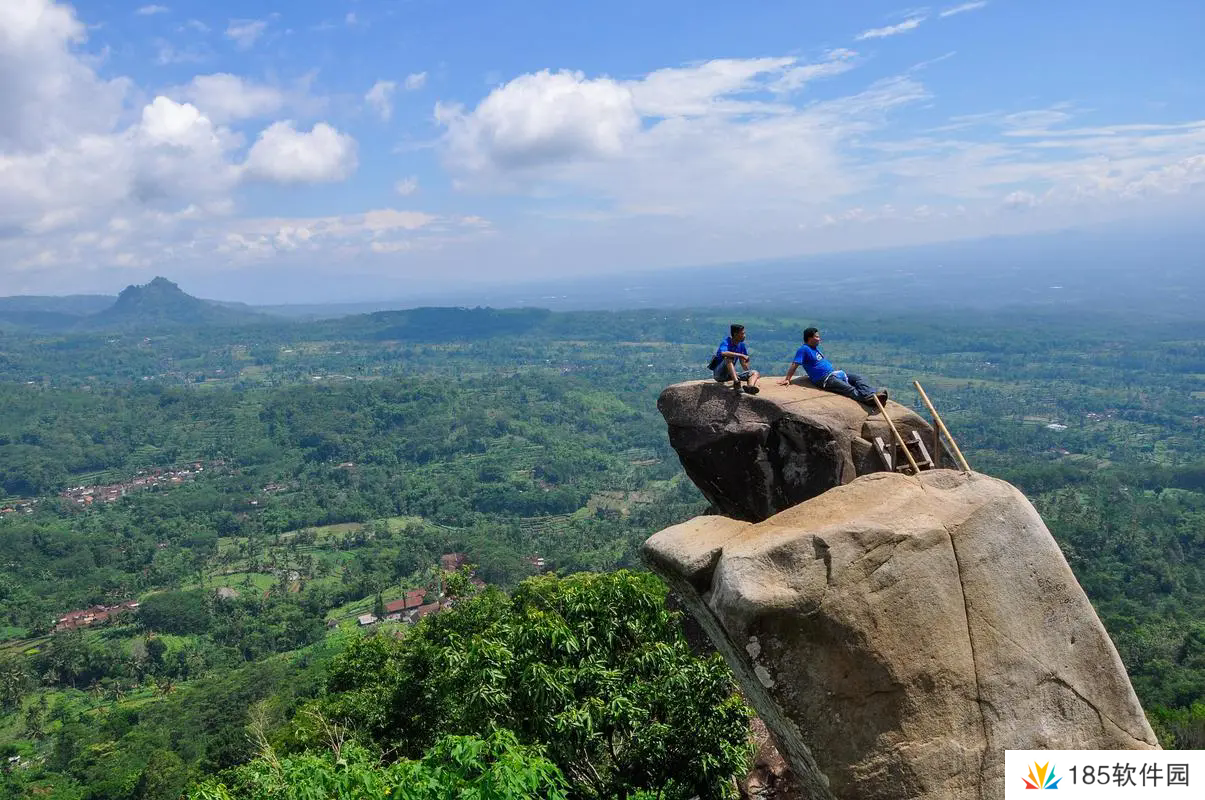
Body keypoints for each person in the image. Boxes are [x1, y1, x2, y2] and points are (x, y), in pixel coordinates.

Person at [780, 327, 888, 405]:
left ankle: (871, 393)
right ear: (809, 338)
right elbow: (795, 364)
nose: (819, 339)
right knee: (849, 389)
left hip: (833, 374)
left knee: (858, 378)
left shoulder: (814, 348)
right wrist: (788, 379)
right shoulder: (803, 349)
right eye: (816, 337)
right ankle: (870, 400)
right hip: (825, 380)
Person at [712, 324, 760, 394]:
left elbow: (743, 364)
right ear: (735, 334)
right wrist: (741, 355)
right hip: (719, 375)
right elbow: (723, 353)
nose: (744, 336)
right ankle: (736, 383)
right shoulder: (726, 342)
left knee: (755, 373)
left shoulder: (741, 345)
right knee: (728, 358)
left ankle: (750, 387)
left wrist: (748, 374)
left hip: (730, 375)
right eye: (742, 333)